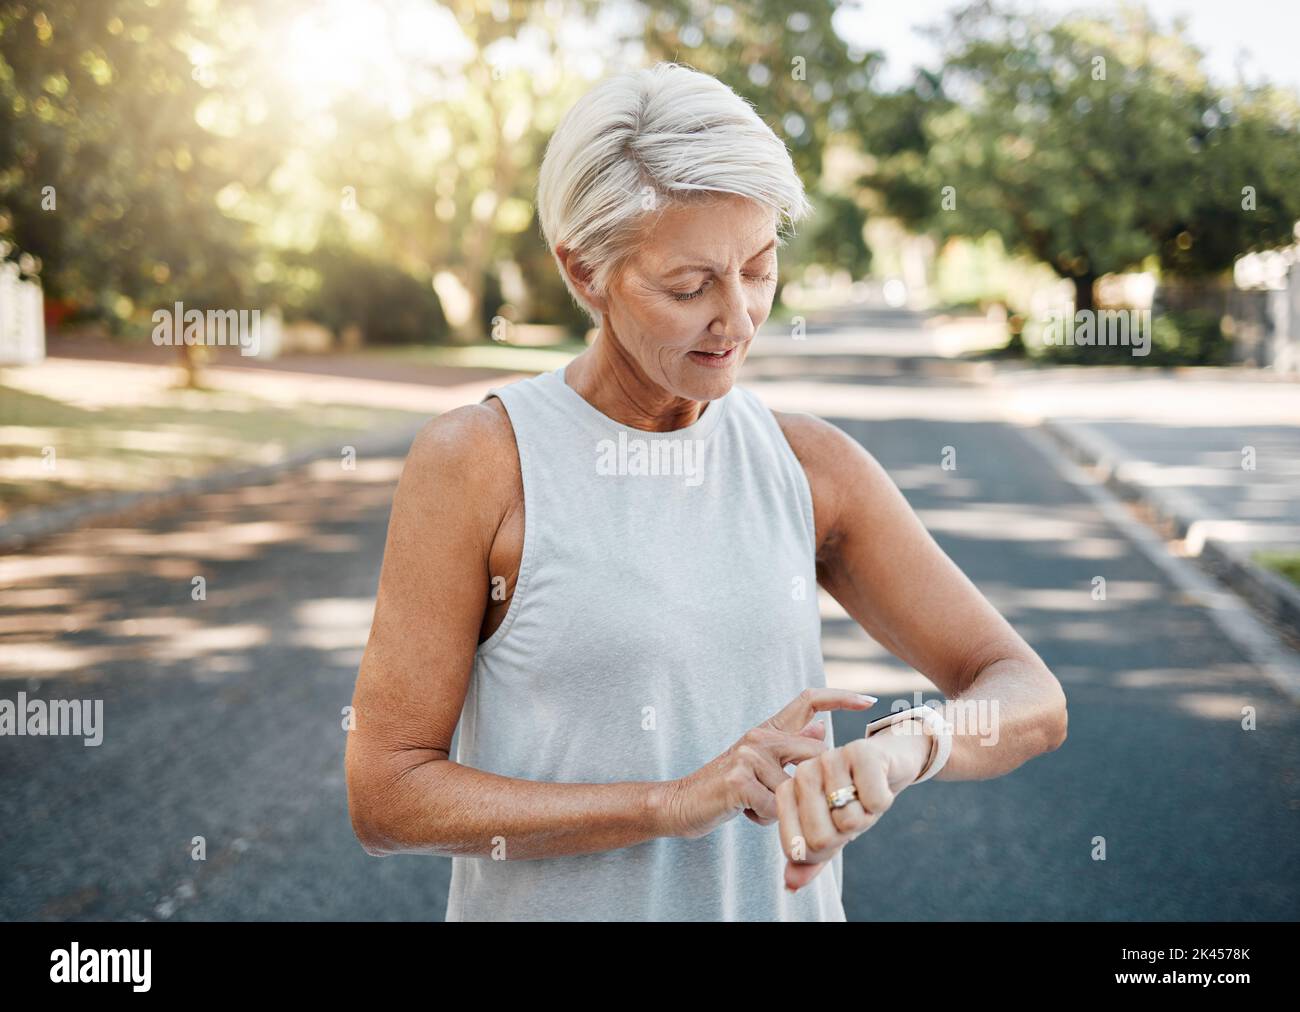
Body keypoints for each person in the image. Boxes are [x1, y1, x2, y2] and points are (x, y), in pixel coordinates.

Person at [344, 61, 1068, 921]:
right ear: (584, 274)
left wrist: (911, 745)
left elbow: (1027, 695)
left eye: (759, 268)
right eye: (688, 288)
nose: (738, 319)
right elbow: (386, 795)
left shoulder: (809, 465)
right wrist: (669, 803)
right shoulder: (481, 461)